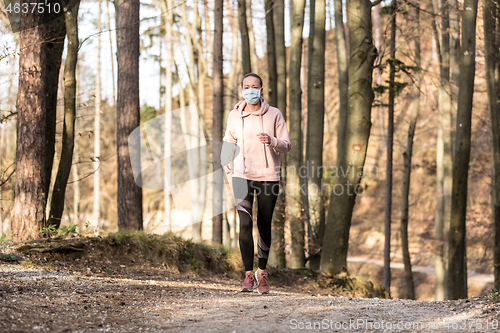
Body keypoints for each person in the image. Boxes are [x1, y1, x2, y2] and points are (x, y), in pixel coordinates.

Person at [221, 73, 292, 294]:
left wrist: (272, 141)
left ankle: (262, 273)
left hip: (268, 177)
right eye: (246, 86)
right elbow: (228, 141)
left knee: (263, 224)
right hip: (241, 176)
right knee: (244, 223)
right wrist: (226, 161)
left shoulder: (274, 114)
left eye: (255, 86)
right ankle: (247, 275)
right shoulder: (234, 115)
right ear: (241, 89)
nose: (250, 90)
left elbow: (287, 145)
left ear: (261, 89)